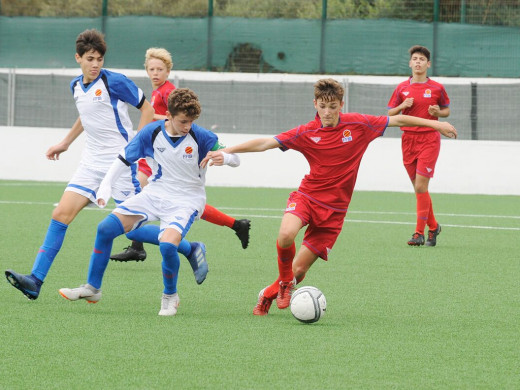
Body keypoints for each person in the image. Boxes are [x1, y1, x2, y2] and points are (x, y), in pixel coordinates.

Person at [202, 78, 457, 315]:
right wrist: (226, 151)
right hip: (307, 197)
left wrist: (437, 124)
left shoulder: (359, 124)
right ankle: (283, 285)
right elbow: (265, 143)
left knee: (299, 271)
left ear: (340, 105)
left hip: (335, 212)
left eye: (332, 106)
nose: (327, 112)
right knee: (285, 234)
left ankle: (269, 294)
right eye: (322, 106)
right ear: (315, 104)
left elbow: (399, 121)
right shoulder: (306, 132)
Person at [59, 88, 240, 316]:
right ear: (169, 116)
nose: (187, 127)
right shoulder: (152, 133)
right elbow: (125, 157)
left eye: (191, 122)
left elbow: (236, 157)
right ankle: (92, 288)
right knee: (105, 229)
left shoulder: (201, 136)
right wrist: (106, 184)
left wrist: (225, 158)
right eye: (183, 121)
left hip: (187, 199)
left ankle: (170, 296)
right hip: (155, 193)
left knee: (167, 245)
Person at [4, 29, 155, 300]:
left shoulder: (115, 82)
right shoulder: (76, 86)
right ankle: (35, 280)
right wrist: (65, 143)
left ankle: (189, 248)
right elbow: (86, 117)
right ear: (78, 58)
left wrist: (136, 148)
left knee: (135, 228)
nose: (95, 64)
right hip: (90, 163)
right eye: (90, 59)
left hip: (119, 164)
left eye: (99, 59)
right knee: (61, 214)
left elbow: (148, 110)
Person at [110, 47, 251, 263]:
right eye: (151, 69)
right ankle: (234, 224)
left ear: (168, 71)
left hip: (165, 155)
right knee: (179, 204)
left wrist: (151, 116)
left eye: (160, 69)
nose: (155, 73)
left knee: (152, 199)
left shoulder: (168, 92)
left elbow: (176, 119)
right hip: (157, 152)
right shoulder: (156, 92)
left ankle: (141, 246)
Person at [387, 45, 450, 247]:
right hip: (408, 140)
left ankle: (418, 233)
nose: (418, 62)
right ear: (410, 63)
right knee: (418, 188)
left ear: (428, 64)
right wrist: (402, 107)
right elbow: (390, 114)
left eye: (422, 59)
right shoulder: (401, 88)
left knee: (421, 186)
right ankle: (434, 227)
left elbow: (446, 111)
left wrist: (437, 112)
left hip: (429, 140)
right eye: (415, 58)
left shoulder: (437, 88)